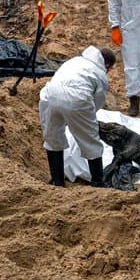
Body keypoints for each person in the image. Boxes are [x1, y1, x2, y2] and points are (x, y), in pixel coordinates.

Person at [39, 46, 116, 188]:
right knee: (90, 141)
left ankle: (57, 180)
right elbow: (97, 103)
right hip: (78, 98)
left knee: (52, 137)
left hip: (50, 93)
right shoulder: (100, 73)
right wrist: (83, 119)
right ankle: (98, 182)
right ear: (107, 65)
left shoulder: (75, 60)